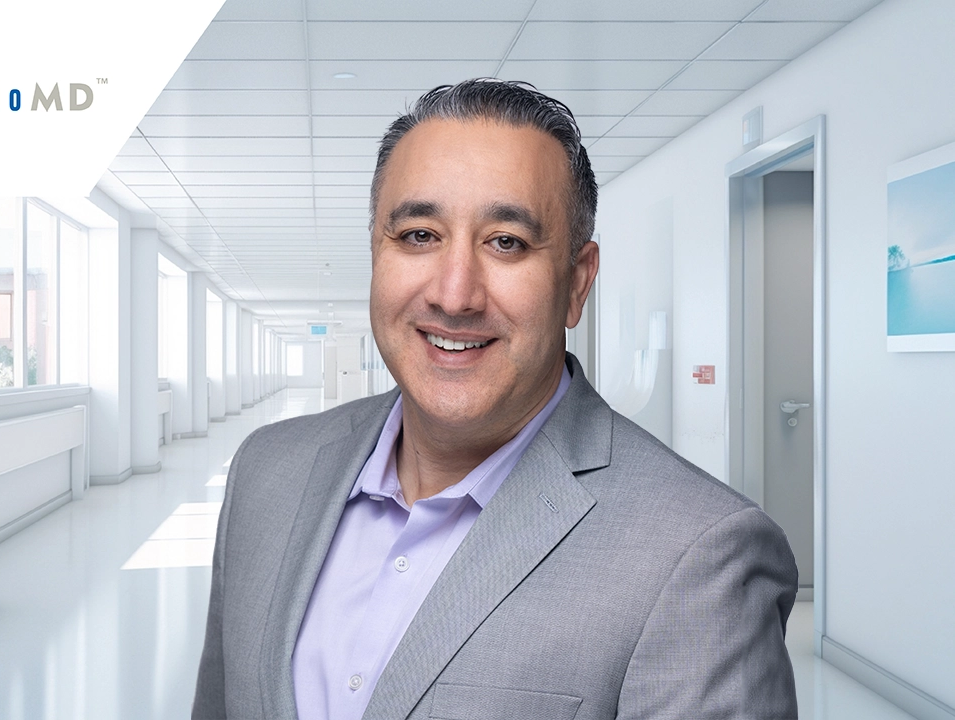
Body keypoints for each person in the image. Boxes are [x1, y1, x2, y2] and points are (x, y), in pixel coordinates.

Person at [192, 79, 799, 720]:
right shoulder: (267, 470)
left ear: (576, 282)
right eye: (419, 235)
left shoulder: (698, 556)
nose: (454, 296)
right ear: (375, 252)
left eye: (507, 242)